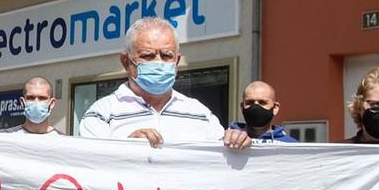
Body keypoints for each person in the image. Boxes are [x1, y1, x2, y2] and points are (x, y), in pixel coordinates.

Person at [76, 17, 251, 149]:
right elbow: (88, 168)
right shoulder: (100, 114)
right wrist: (125, 150)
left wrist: (236, 143)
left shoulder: (200, 113)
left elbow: (222, 164)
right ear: (126, 61)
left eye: (167, 55)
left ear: (177, 61)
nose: (158, 62)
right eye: (147, 55)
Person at [231, 80, 298, 142]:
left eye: (262, 102)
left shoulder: (290, 145)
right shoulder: (228, 141)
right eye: (250, 102)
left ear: (275, 108)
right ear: (242, 107)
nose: (255, 107)